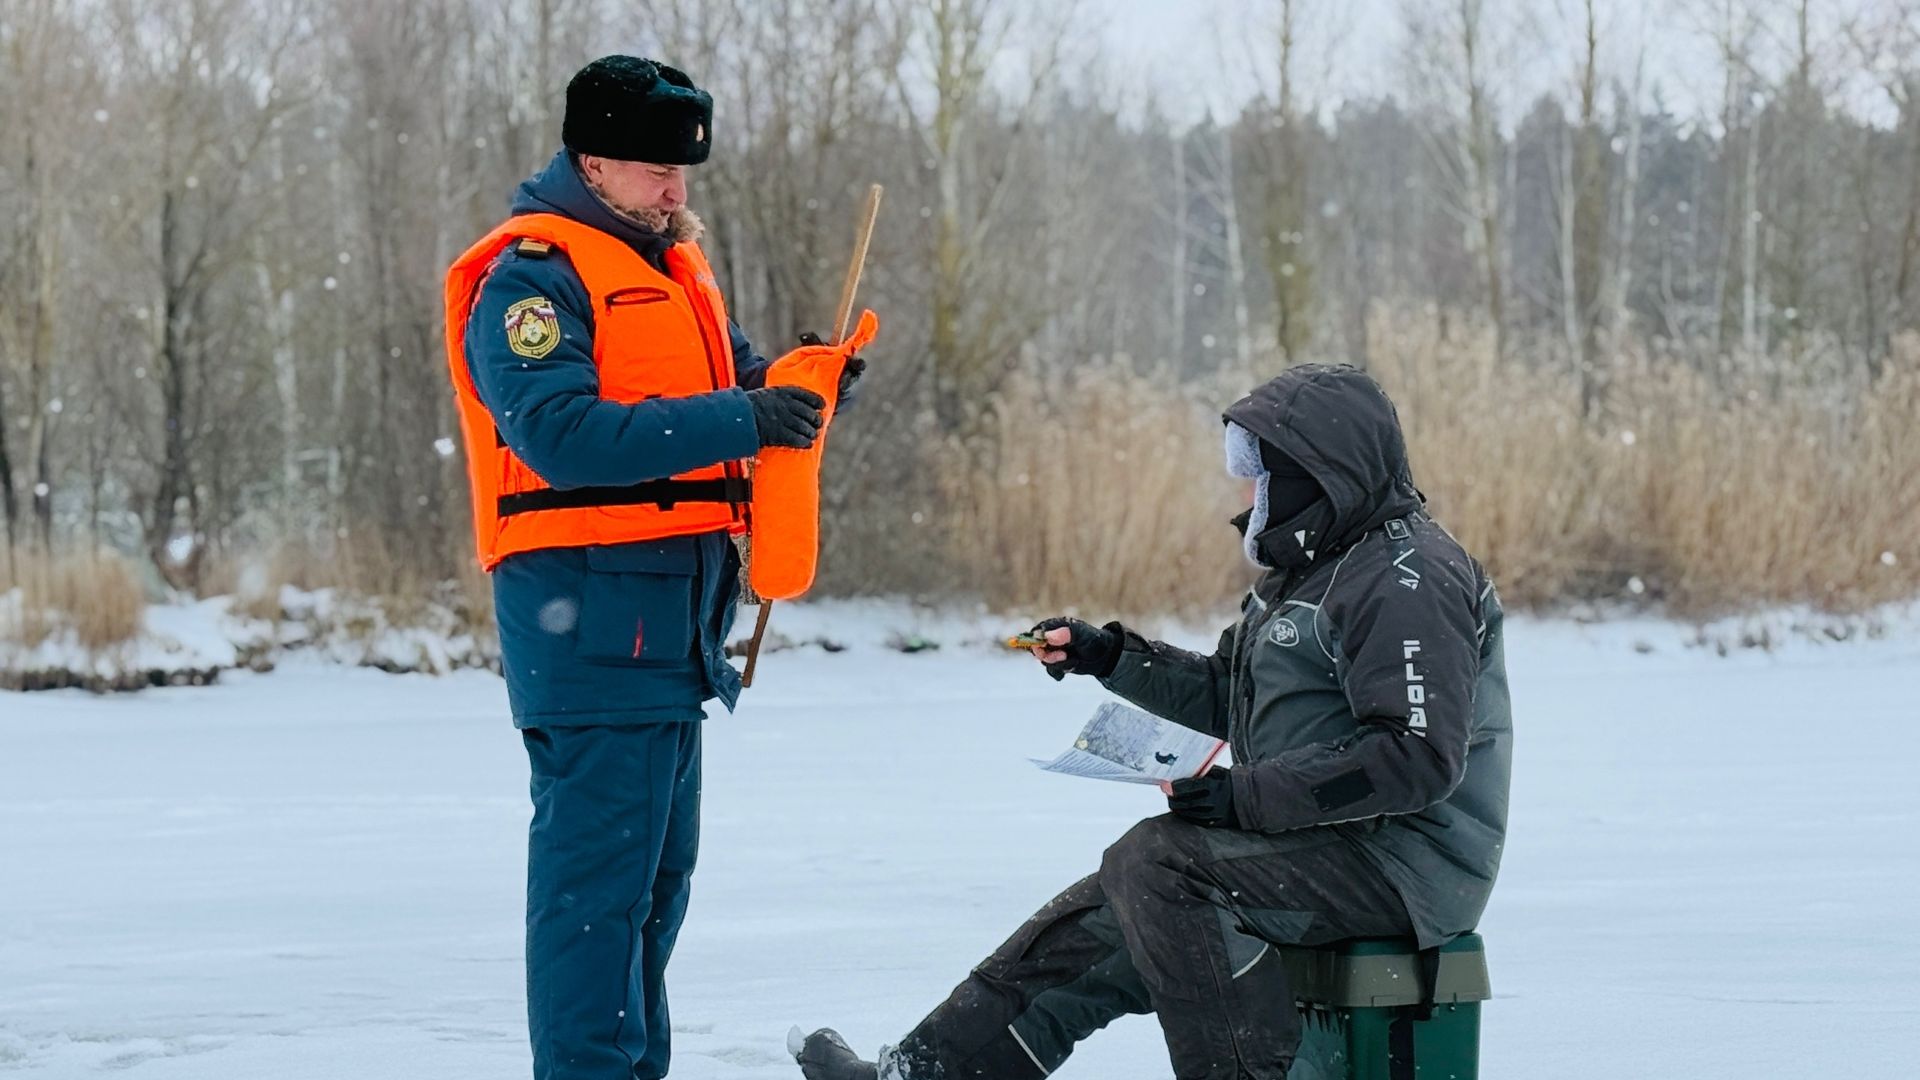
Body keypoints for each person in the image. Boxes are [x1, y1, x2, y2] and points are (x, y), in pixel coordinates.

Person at [793, 364, 1511, 1080]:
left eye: (1263, 474)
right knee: (1111, 908)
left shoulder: (1408, 579)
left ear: (1320, 473)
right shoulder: (1310, 568)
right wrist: (1110, 656)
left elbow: (1416, 757)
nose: (1248, 492)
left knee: (1160, 866)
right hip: (1313, 841)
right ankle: (925, 1073)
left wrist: (1244, 797)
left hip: (1402, 866)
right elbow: (1233, 693)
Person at [440, 56, 866, 1080]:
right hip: (587, 625)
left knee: (654, 889)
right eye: (655, 170)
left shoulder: (674, 272)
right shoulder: (535, 277)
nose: (677, 191)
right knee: (596, 897)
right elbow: (559, 434)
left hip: (670, 631)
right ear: (592, 159)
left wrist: (804, 386)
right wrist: (742, 418)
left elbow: (744, 382)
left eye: (685, 172)